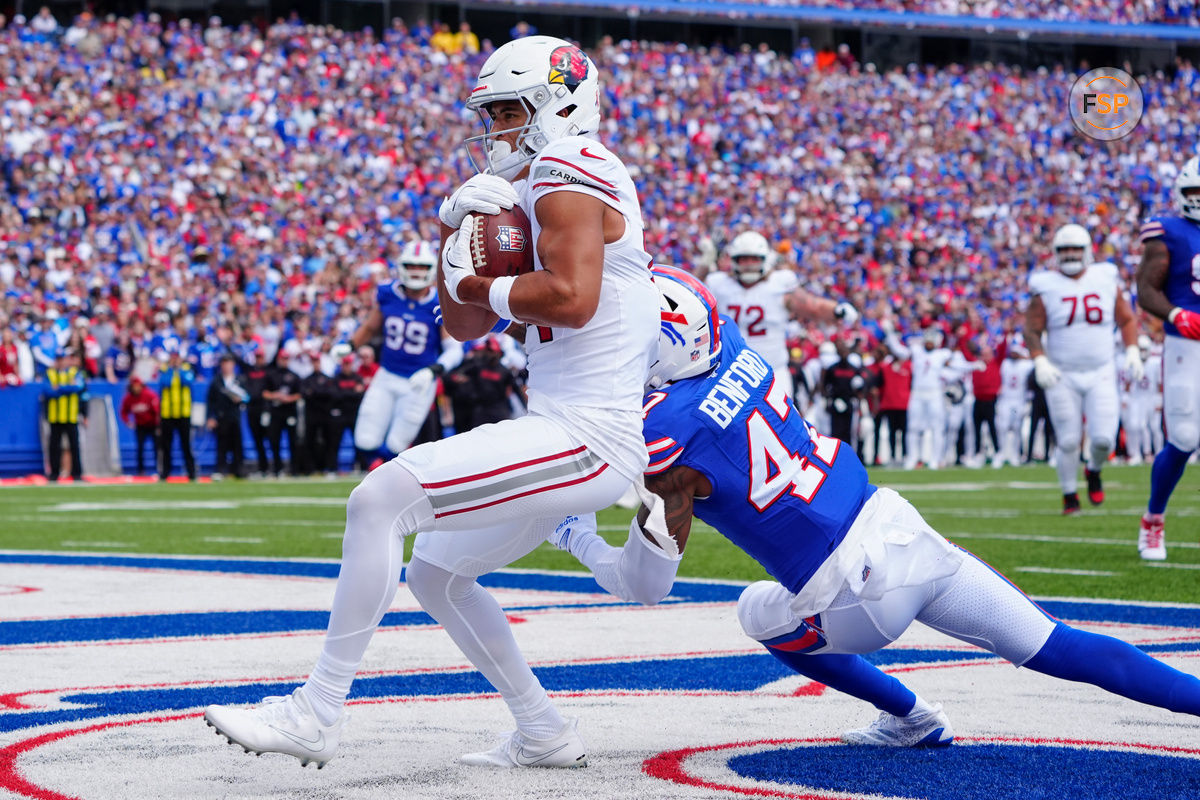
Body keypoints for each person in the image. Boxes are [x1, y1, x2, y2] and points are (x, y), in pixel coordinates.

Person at [204, 36, 660, 770]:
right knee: (436, 574)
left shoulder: (572, 164)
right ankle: (542, 730)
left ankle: (317, 711)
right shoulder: (528, 186)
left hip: (585, 435)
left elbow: (572, 300)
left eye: (510, 110)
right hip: (563, 426)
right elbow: (465, 324)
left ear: (561, 105)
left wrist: (478, 280)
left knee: (380, 499)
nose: (496, 128)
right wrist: (452, 233)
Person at [554, 266, 1200, 747]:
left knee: (757, 611)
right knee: (1056, 645)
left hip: (853, 591)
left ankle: (912, 717)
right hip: (897, 525)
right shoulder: (738, 354)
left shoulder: (664, 434)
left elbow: (647, 582)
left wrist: (575, 533)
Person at [1024, 223, 1141, 514]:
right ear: (1055, 253)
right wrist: (1039, 358)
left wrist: (1133, 349)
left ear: (1088, 251)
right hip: (1062, 374)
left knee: (1103, 439)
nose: (1071, 254)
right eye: (1064, 249)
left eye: (1076, 248)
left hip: (1101, 370)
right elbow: (1032, 329)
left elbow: (1126, 319)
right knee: (1067, 440)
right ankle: (1069, 496)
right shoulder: (1045, 284)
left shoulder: (1104, 277)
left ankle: (1094, 470)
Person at [1134, 156, 1200, 560]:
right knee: (1186, 437)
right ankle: (1153, 520)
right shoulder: (1167, 231)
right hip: (1184, 346)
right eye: (1195, 192)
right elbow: (1146, 289)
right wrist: (1176, 314)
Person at [703, 230, 857, 399]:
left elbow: (813, 306)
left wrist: (836, 310)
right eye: (743, 258)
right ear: (734, 259)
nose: (748, 264)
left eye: (754, 258)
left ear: (765, 259)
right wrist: (704, 264)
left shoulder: (779, 284)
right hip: (728, 372)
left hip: (772, 370)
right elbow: (685, 295)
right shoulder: (717, 283)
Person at [351, 240, 463, 459]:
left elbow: (455, 350)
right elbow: (370, 327)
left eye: (421, 266)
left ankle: (390, 478)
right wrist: (349, 345)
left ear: (431, 269)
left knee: (397, 443)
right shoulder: (387, 293)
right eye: (411, 265)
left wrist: (432, 371)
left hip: (418, 381)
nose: (416, 271)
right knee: (365, 438)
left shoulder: (439, 301)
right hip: (387, 373)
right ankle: (376, 474)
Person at [43, 349, 87, 481]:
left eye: (63, 359)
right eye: (59, 359)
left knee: (74, 446)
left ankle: (77, 473)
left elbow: (79, 387)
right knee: (54, 447)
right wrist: (68, 388)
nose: (61, 362)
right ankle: (54, 473)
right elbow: (48, 392)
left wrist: (60, 388)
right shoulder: (50, 373)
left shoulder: (74, 372)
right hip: (55, 416)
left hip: (71, 416)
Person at [206, 355, 249, 479]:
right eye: (225, 364)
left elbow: (247, 397)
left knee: (237, 444)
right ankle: (221, 469)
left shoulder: (240, 380)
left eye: (229, 363)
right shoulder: (216, 381)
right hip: (221, 416)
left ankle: (238, 469)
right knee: (222, 444)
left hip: (235, 416)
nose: (227, 366)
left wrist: (241, 400)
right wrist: (211, 417)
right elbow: (211, 401)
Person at [158, 346, 197, 482]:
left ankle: (191, 472)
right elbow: (165, 383)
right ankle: (165, 473)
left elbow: (188, 381)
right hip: (168, 413)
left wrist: (178, 369)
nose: (175, 360)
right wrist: (171, 369)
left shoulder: (186, 369)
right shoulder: (164, 370)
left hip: (183, 413)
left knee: (186, 444)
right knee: (166, 445)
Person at [263, 350, 303, 477]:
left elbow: (300, 394)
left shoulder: (294, 376)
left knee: (293, 441)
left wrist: (288, 398)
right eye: (282, 358)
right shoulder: (271, 374)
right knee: (274, 441)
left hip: (289, 411)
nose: (284, 361)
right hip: (275, 411)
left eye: (286, 358)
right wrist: (275, 396)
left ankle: (294, 469)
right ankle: (276, 469)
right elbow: (264, 393)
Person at [994, 341, 1033, 468]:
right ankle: (1001, 453)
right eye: (1013, 352)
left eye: (1016, 352)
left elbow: (1034, 364)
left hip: (1019, 400)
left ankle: (1015, 454)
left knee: (1017, 427)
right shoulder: (1005, 363)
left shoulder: (1025, 365)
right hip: (1005, 400)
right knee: (1002, 427)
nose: (1014, 354)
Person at [119, 375, 160, 475]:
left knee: (157, 447)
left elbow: (158, 412)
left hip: (152, 425)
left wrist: (159, 426)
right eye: (134, 386)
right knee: (140, 448)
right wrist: (128, 422)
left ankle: (160, 470)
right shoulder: (128, 398)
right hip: (140, 426)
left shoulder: (150, 395)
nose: (136, 388)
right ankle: (140, 471)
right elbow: (123, 412)